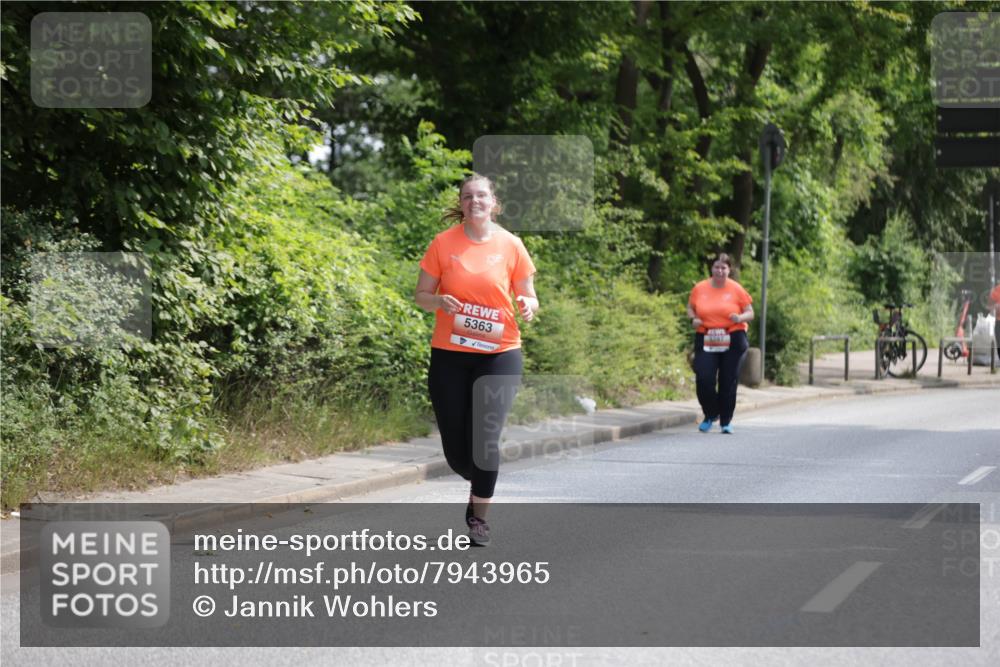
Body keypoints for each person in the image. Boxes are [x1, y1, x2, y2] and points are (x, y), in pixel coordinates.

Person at [414, 174, 538, 546]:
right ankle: (481, 480)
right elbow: (421, 294)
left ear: (493, 202)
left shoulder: (511, 244)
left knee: (485, 443)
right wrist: (438, 301)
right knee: (457, 452)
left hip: (499, 354)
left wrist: (528, 306)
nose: (474, 201)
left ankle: (479, 518)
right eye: (467, 196)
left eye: (481, 195)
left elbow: (529, 295)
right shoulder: (443, 243)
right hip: (450, 354)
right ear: (462, 204)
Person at [686, 254, 754, 434]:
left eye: (724, 268)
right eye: (717, 267)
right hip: (707, 335)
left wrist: (739, 317)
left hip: (733, 335)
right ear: (711, 269)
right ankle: (710, 414)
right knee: (704, 377)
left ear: (729, 270)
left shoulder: (736, 289)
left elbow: (750, 312)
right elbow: (690, 308)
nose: (720, 271)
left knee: (728, 379)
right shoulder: (700, 288)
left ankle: (726, 421)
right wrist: (693, 319)